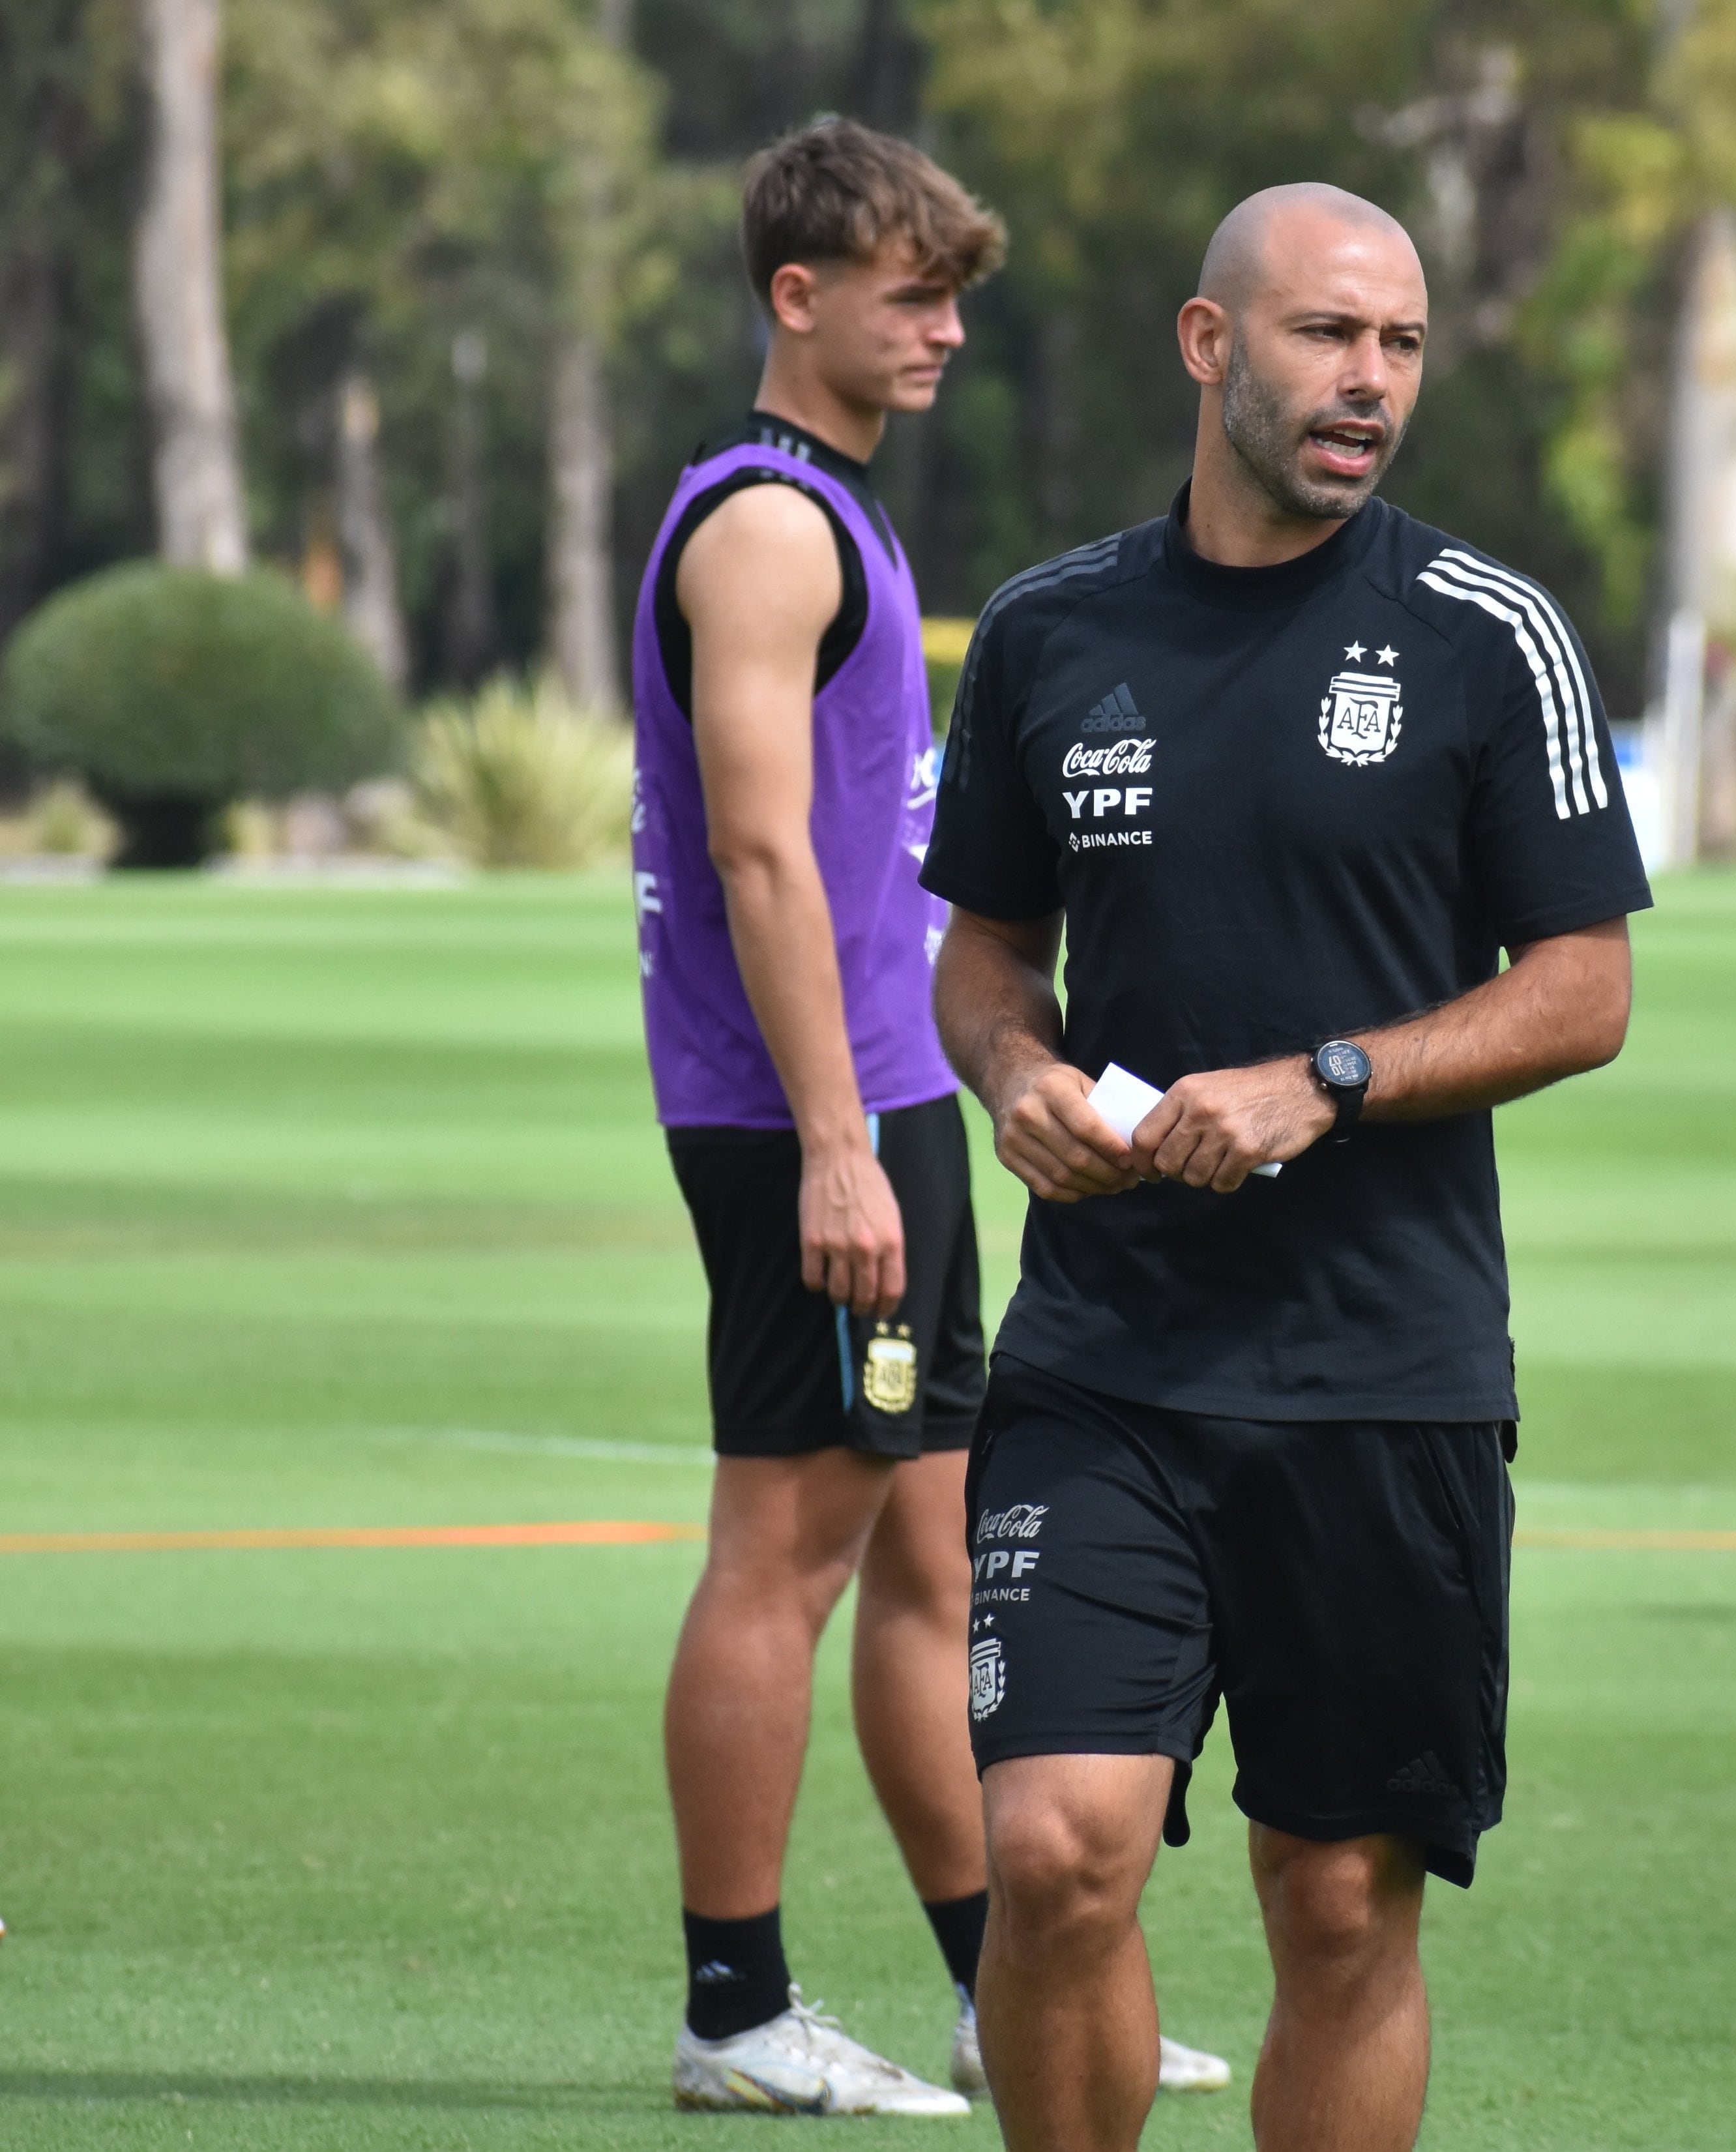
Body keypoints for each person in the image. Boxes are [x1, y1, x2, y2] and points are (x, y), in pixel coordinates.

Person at [920, 183, 1649, 2152]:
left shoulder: (1490, 633)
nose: (1371, 383)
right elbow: (982, 953)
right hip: (1104, 1365)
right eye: (1332, 335)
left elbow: (1586, 987)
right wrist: (1013, 1073)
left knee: (1338, 1905)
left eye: (1403, 346)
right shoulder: (1055, 631)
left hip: (1382, 1372)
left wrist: (1324, 1078)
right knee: (1057, 1852)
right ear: (1208, 340)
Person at [630, 117, 1230, 2116]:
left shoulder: (836, 513)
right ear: (797, 298)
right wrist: (829, 1140)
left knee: (930, 1553)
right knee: (779, 1552)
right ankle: (736, 2005)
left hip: (885, 1100)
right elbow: (759, 852)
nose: (950, 327)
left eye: (959, 291)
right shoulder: (770, 525)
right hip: (810, 1117)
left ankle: (1003, 1983)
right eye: (914, 292)